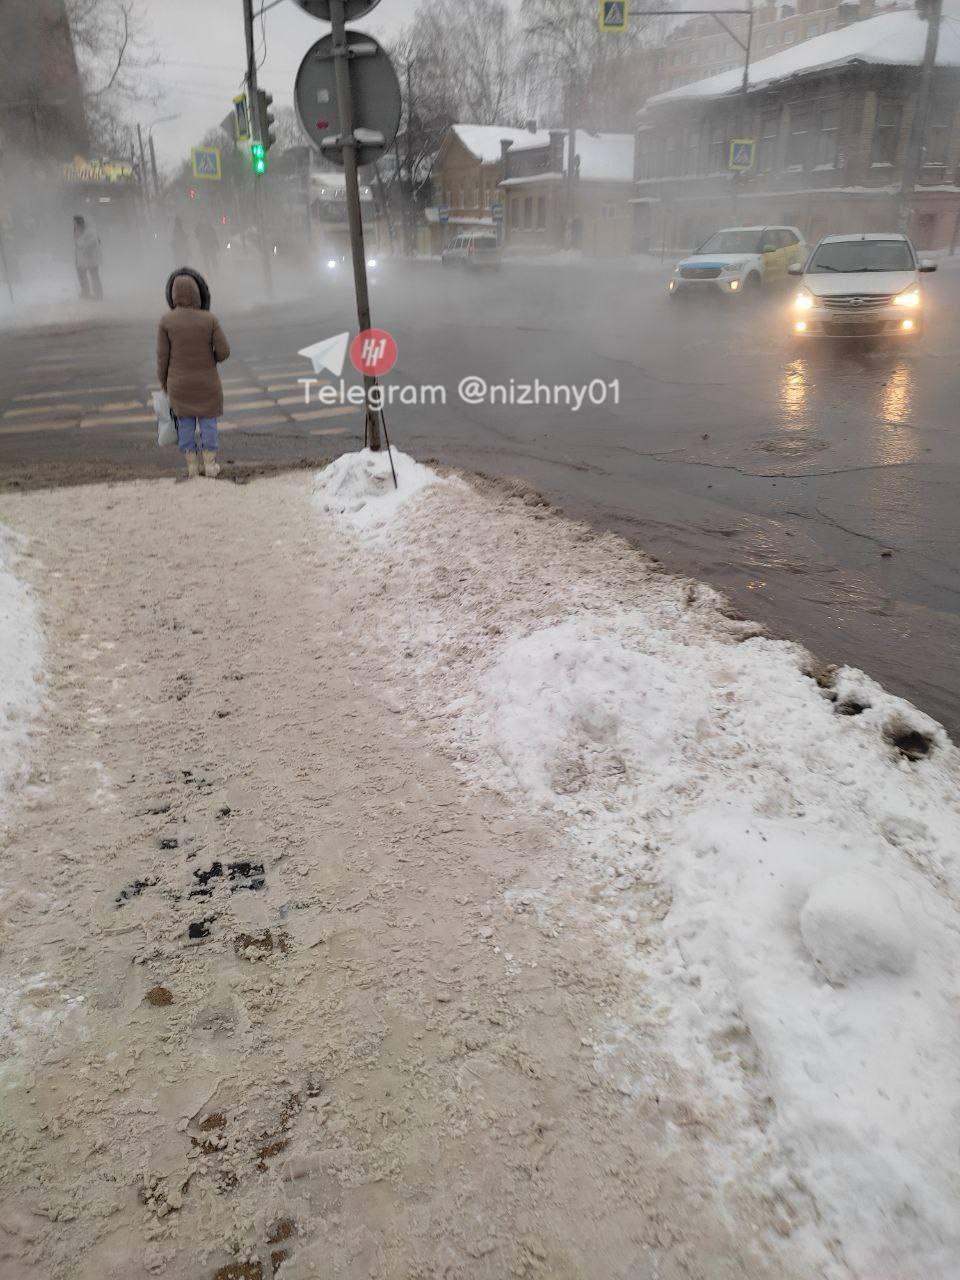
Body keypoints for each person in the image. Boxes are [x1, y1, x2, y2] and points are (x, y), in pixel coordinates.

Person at [156, 269, 230, 479]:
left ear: (173, 295)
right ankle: (210, 464)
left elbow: (162, 358)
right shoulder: (209, 320)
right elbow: (224, 351)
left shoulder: (166, 322)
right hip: (207, 382)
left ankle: (191, 466)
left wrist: (164, 383)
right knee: (208, 422)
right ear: (198, 293)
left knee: (185, 423)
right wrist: (210, 359)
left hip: (178, 383)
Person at [73, 215, 103, 299]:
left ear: (80, 222)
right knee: (82, 275)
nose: (74, 225)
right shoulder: (78, 231)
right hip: (83, 258)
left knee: (94, 276)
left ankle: (98, 295)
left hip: (92, 258)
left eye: (75, 223)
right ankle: (85, 293)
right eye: (74, 223)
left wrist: (82, 245)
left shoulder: (90, 231)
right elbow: (78, 245)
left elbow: (96, 241)